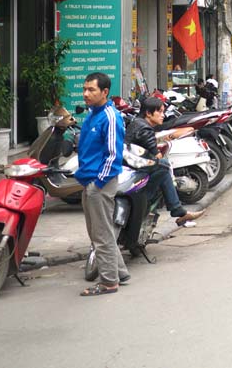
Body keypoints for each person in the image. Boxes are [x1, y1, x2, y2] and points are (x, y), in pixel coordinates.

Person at [75, 72, 128, 296]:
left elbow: (113, 154)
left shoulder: (110, 116)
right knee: (98, 231)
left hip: (100, 183)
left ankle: (108, 282)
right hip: (89, 180)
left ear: (104, 92)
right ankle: (120, 272)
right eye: (85, 89)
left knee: (101, 234)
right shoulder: (91, 115)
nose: (86, 94)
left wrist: (98, 183)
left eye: (91, 90)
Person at [125, 97, 204, 226]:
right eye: (160, 112)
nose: (163, 115)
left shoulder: (136, 123)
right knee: (164, 167)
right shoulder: (145, 128)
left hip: (132, 168)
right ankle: (176, 210)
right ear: (149, 113)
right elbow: (156, 154)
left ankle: (177, 210)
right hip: (135, 172)